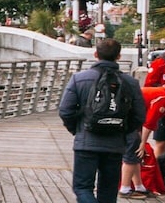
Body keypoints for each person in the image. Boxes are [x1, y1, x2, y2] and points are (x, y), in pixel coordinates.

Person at [62, 38, 148, 203]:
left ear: (95, 54)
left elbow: (65, 110)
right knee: (108, 191)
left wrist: (78, 129)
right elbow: (139, 115)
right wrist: (122, 130)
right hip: (115, 143)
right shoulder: (130, 82)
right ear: (118, 56)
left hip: (86, 142)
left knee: (82, 187)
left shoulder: (79, 79)